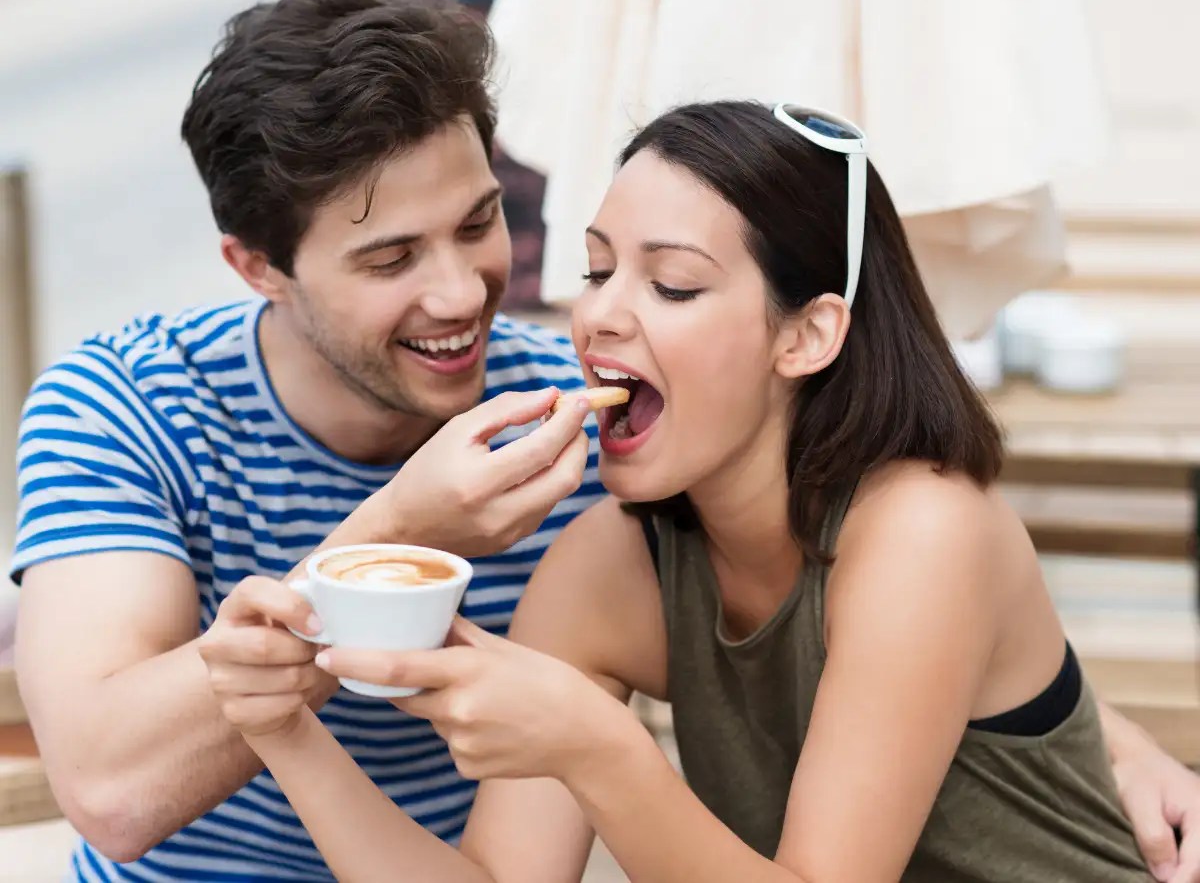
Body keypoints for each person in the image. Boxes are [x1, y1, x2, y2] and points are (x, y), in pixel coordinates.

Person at [201, 101, 1200, 882]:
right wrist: (284, 731)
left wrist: (604, 751)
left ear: (806, 334)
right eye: (595, 271)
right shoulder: (608, 564)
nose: (598, 316)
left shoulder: (922, 531)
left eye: (670, 285)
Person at [10, 0, 602, 880]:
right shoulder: (124, 401)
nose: (462, 292)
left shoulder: (564, 428)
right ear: (257, 266)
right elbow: (109, 790)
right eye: (391, 258)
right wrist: (402, 533)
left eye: (478, 223)